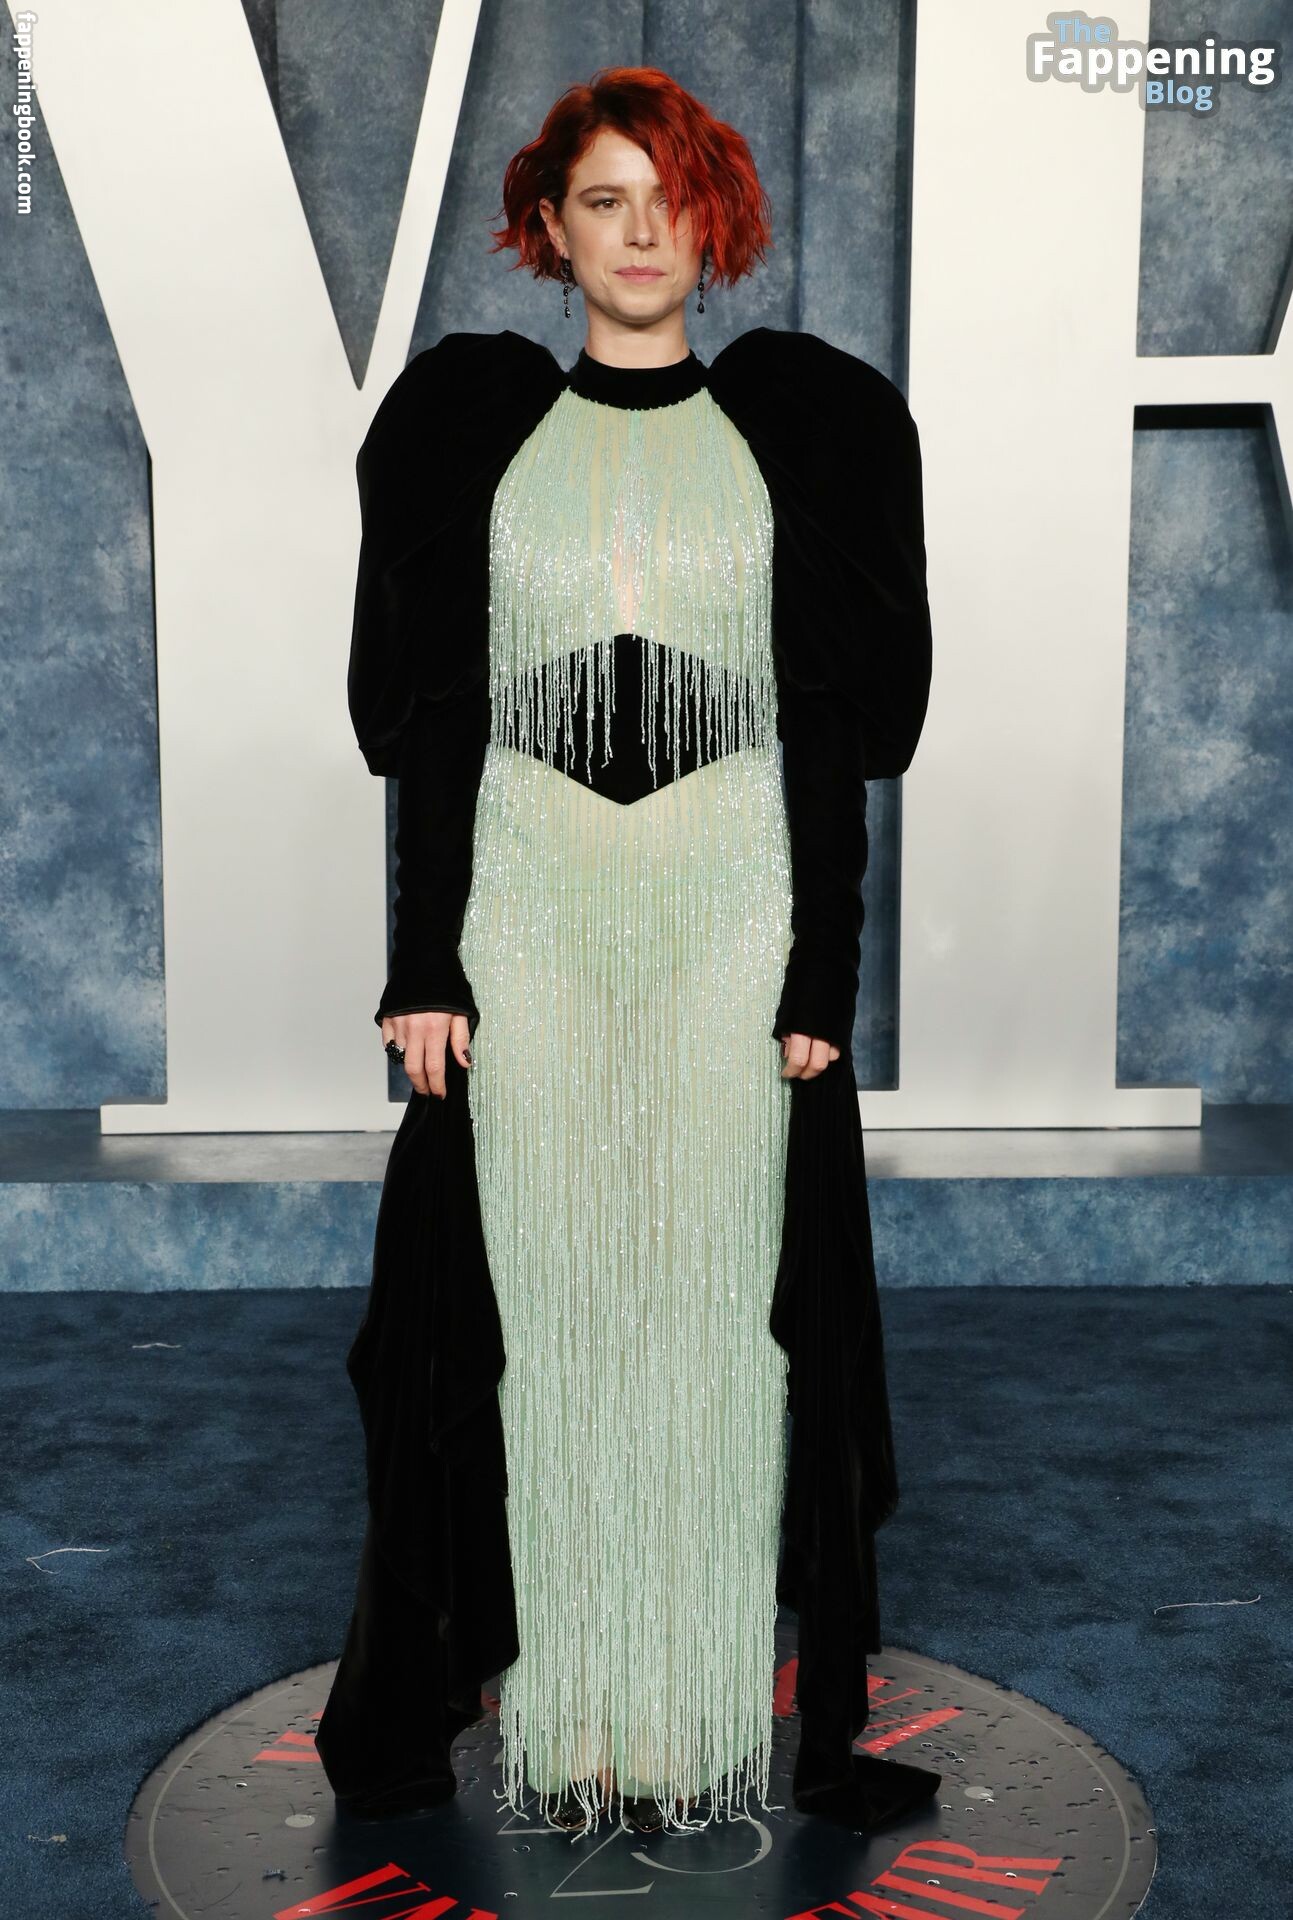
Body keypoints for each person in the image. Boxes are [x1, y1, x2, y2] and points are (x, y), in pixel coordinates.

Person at [315, 66, 937, 1841]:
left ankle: (690, 1720)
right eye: (604, 199)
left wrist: (822, 975)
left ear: (714, 221)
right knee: (546, 1314)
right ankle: (572, 1716)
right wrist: (419, 965)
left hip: (734, 910)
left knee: (720, 1322)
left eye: (668, 198)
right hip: (527, 912)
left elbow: (830, 732)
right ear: (548, 226)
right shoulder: (475, 434)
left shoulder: (802, 430)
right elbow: (439, 725)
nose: (641, 232)